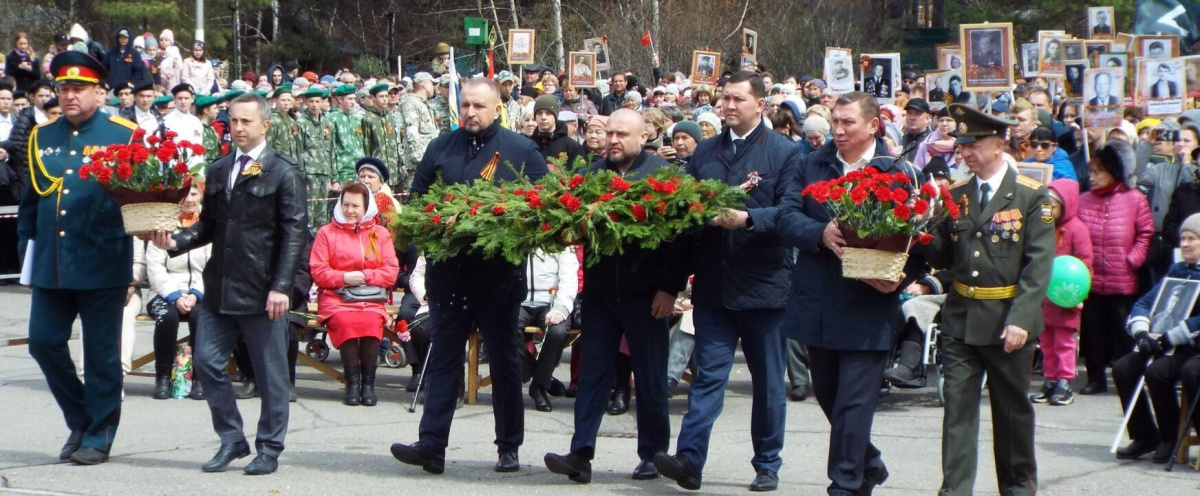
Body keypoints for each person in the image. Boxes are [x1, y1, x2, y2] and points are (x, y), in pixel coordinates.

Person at [390, 77, 549, 475]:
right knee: (443, 361)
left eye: (479, 106)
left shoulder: (521, 150)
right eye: (465, 106)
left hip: (498, 279)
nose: (471, 113)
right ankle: (432, 445)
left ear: (497, 108)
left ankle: (508, 446)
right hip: (450, 278)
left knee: (504, 363)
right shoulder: (440, 147)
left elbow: (543, 207)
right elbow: (419, 202)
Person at [651, 71, 799, 492]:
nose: (728, 106)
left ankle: (767, 463)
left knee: (768, 384)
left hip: (764, 288)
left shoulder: (784, 153)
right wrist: (672, 282)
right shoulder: (707, 153)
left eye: (737, 99)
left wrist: (749, 219)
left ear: (760, 105)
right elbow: (687, 223)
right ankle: (689, 460)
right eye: (723, 99)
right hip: (715, 288)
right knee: (708, 379)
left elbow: (790, 213)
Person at [150, 92, 309, 475]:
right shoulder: (220, 169)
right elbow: (210, 224)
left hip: (263, 290)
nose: (237, 128)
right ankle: (232, 439)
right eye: (233, 121)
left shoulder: (283, 171)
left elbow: (294, 233)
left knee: (271, 377)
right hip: (220, 287)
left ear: (265, 125)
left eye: (246, 121)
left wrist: (281, 287)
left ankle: (268, 448)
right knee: (206, 363)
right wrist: (176, 241)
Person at [774, 91, 920, 496]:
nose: (837, 130)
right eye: (834, 122)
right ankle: (867, 462)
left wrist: (901, 280)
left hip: (869, 301)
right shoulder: (811, 164)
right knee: (829, 395)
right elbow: (786, 216)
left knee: (854, 403)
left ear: (873, 125)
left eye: (847, 123)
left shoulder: (898, 170)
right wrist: (818, 232)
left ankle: (845, 484)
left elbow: (921, 240)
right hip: (818, 300)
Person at [542, 109, 689, 484]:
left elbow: (684, 238)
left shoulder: (663, 176)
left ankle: (653, 455)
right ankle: (581, 454)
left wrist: (669, 288)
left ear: (644, 137)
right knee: (592, 376)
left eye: (622, 134)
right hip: (601, 295)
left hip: (647, 296)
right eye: (609, 133)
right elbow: (569, 222)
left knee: (651, 379)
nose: (613, 141)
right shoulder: (592, 175)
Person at [918, 103, 1055, 496]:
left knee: (1011, 413)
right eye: (962, 145)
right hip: (961, 317)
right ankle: (955, 490)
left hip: (1006, 320)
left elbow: (1038, 265)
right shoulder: (957, 194)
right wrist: (925, 224)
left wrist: (1022, 319)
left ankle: (1016, 488)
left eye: (974, 143)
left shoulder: (1031, 196)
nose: (965, 152)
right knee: (956, 411)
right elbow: (944, 257)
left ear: (999, 143)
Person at [17, 51, 139, 465]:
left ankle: (100, 434)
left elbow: (140, 201)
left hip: (103, 258)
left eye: (78, 88)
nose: (69, 95)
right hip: (52, 263)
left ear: (99, 92)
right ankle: (81, 417)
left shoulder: (123, 134)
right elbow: (30, 203)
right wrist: (27, 258)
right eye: (63, 88)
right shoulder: (41, 136)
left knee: (101, 354)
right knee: (43, 342)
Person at [1112, 213, 1200, 463]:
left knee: (1157, 373)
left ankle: (1170, 436)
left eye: (1192, 239)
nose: (1185, 244)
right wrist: (1141, 331)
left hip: (1189, 346)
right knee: (1123, 369)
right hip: (1161, 339)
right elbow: (1146, 301)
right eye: (1183, 238)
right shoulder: (1177, 269)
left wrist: (1172, 337)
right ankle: (1144, 435)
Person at [311, 181, 400, 406]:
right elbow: (319, 271)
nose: (350, 211)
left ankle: (368, 385)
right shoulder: (326, 233)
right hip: (336, 297)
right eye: (346, 205)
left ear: (366, 207)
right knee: (345, 320)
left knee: (371, 322)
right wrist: (344, 278)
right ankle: (352, 383)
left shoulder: (380, 234)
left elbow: (391, 271)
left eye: (356, 206)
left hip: (371, 297)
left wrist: (364, 276)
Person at [1079, 140, 1156, 394]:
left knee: (1122, 332)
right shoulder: (1084, 201)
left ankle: (1127, 379)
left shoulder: (1135, 199)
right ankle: (1095, 378)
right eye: (1091, 172)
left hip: (1123, 279)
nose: (1093, 177)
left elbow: (1146, 233)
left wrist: (1132, 259)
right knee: (1093, 332)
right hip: (1090, 279)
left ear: (1113, 171)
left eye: (1098, 172)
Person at [1029, 179, 1093, 406]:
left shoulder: (1077, 229)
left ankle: (1065, 381)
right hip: (1045, 296)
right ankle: (1050, 378)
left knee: (1064, 342)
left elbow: (1086, 265)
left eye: (1052, 206)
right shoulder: (1043, 227)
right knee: (1046, 341)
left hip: (1066, 295)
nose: (1048, 210)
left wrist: (1080, 295)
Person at [146, 182, 211, 400]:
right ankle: (162, 377)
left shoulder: (210, 225)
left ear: (201, 196)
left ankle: (200, 378)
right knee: (167, 317)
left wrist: (195, 294)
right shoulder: (162, 223)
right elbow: (155, 268)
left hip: (201, 293)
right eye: (184, 194)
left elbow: (214, 267)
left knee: (201, 317)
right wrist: (174, 296)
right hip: (164, 293)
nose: (189, 199)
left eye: (194, 193)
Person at [519, 247, 579, 412]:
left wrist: (560, 308)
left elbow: (569, 280)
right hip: (520, 300)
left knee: (558, 332)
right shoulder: (516, 233)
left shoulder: (560, 240)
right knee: (506, 328)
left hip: (551, 301)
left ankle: (538, 387)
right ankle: (541, 375)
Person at [399, 73, 439, 187]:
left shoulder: (424, 104)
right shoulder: (411, 103)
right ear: (424, 84)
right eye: (432, 84)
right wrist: (421, 161)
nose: (434, 87)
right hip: (418, 165)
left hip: (428, 162)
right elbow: (412, 134)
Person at [362, 83, 403, 188]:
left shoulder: (389, 116)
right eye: (381, 96)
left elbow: (395, 143)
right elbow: (366, 147)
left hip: (393, 170)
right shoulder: (368, 118)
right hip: (377, 169)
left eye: (386, 96)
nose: (385, 99)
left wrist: (399, 166)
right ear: (373, 98)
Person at [531, 94, 586, 166]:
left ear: (555, 116)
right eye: (539, 113)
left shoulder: (572, 146)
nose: (543, 117)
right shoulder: (529, 144)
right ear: (535, 117)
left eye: (548, 113)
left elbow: (580, 172)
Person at [328, 84, 366, 184]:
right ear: (340, 99)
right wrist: (334, 178)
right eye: (350, 99)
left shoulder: (356, 119)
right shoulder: (332, 119)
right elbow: (331, 149)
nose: (353, 102)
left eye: (354, 99)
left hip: (358, 170)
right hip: (343, 171)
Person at [103, 27, 147, 92]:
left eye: (125, 37)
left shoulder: (135, 54)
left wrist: (132, 83)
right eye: (121, 37)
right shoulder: (110, 54)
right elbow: (104, 69)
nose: (123, 39)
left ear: (129, 38)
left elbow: (138, 72)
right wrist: (105, 82)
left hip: (128, 90)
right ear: (117, 38)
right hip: (112, 89)